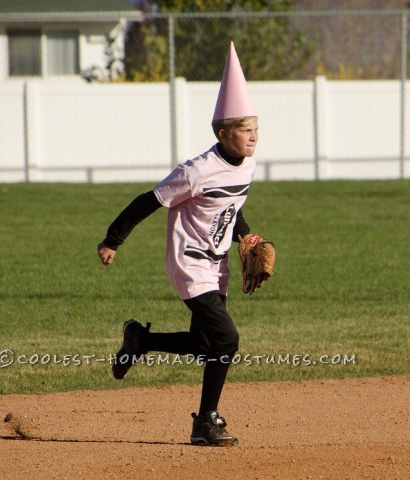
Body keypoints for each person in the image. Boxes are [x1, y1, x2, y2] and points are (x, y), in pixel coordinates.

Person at [98, 41, 258, 446]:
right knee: (226, 340)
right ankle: (206, 421)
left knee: (206, 345)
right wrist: (113, 239)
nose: (254, 136)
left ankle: (141, 340)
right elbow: (149, 200)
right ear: (224, 133)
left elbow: (231, 205)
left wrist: (246, 235)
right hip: (188, 261)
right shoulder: (196, 171)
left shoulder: (248, 163)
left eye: (256, 128)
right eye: (245, 130)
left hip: (217, 264)